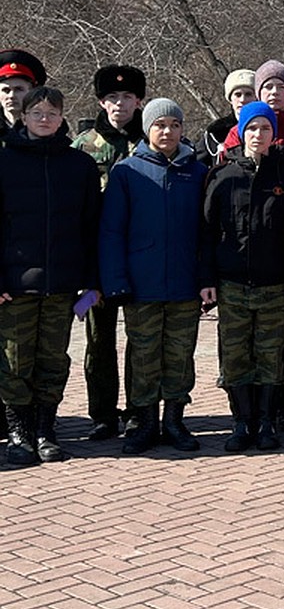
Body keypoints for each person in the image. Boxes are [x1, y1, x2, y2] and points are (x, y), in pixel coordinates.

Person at [99, 98, 207, 455]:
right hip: (140, 284)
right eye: (160, 125)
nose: (168, 131)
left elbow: (208, 231)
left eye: (175, 125)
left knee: (179, 354)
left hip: (184, 283)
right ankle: (144, 421)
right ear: (147, 129)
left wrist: (206, 278)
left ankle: (174, 420)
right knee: (144, 355)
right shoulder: (127, 171)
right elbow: (112, 231)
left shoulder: (197, 171)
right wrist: (116, 281)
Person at [0, 87, 101, 464]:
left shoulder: (79, 165)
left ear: (62, 118)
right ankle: (18, 432)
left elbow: (92, 227)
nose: (45, 118)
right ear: (23, 117)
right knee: (14, 360)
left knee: (53, 360)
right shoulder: (5, 161)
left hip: (63, 283)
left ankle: (45, 429)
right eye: (37, 111)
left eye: (52, 112)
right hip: (15, 286)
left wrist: (92, 280)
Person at [223, 60, 284, 433]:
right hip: (246, 260)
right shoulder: (236, 136)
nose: (275, 93)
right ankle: (248, 413)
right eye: (268, 88)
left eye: (281, 87)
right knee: (247, 343)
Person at [200, 101, 284, 453]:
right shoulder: (223, 176)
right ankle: (242, 422)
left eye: (265, 128)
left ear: (274, 133)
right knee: (236, 355)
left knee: (270, 355)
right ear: (241, 132)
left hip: (274, 283)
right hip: (232, 283)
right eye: (252, 128)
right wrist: (206, 278)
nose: (258, 135)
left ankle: (267, 421)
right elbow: (207, 232)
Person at [72, 63, 146, 441]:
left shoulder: (151, 141)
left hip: (138, 259)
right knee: (99, 341)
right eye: (112, 98)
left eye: (127, 97)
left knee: (139, 336)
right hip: (95, 262)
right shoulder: (82, 146)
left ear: (139, 101)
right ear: (101, 102)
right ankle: (101, 413)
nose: (120, 104)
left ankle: (137, 410)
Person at [201, 69, 256, 165]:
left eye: (248, 94)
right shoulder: (216, 132)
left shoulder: (267, 128)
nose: (243, 100)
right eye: (238, 95)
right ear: (230, 99)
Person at [0, 49, 46, 146]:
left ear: (32, 92)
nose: (11, 96)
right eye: (6, 90)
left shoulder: (45, 128)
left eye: (19, 89)